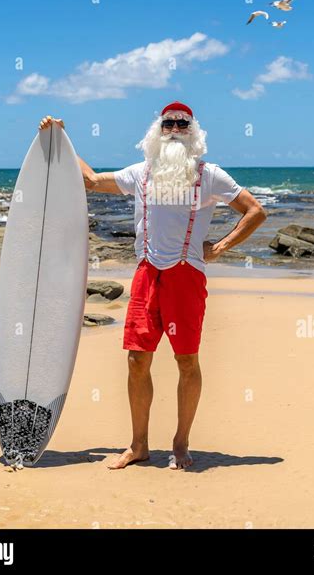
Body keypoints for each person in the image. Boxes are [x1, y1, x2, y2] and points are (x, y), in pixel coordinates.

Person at [38, 102, 267, 469]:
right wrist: (59, 137)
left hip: (186, 277)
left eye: (182, 124)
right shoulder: (140, 173)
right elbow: (91, 180)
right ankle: (138, 446)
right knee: (136, 360)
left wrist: (220, 246)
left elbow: (255, 210)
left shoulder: (210, 176)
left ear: (193, 132)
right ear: (157, 131)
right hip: (147, 275)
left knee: (186, 360)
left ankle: (180, 444)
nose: (175, 129)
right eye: (168, 123)